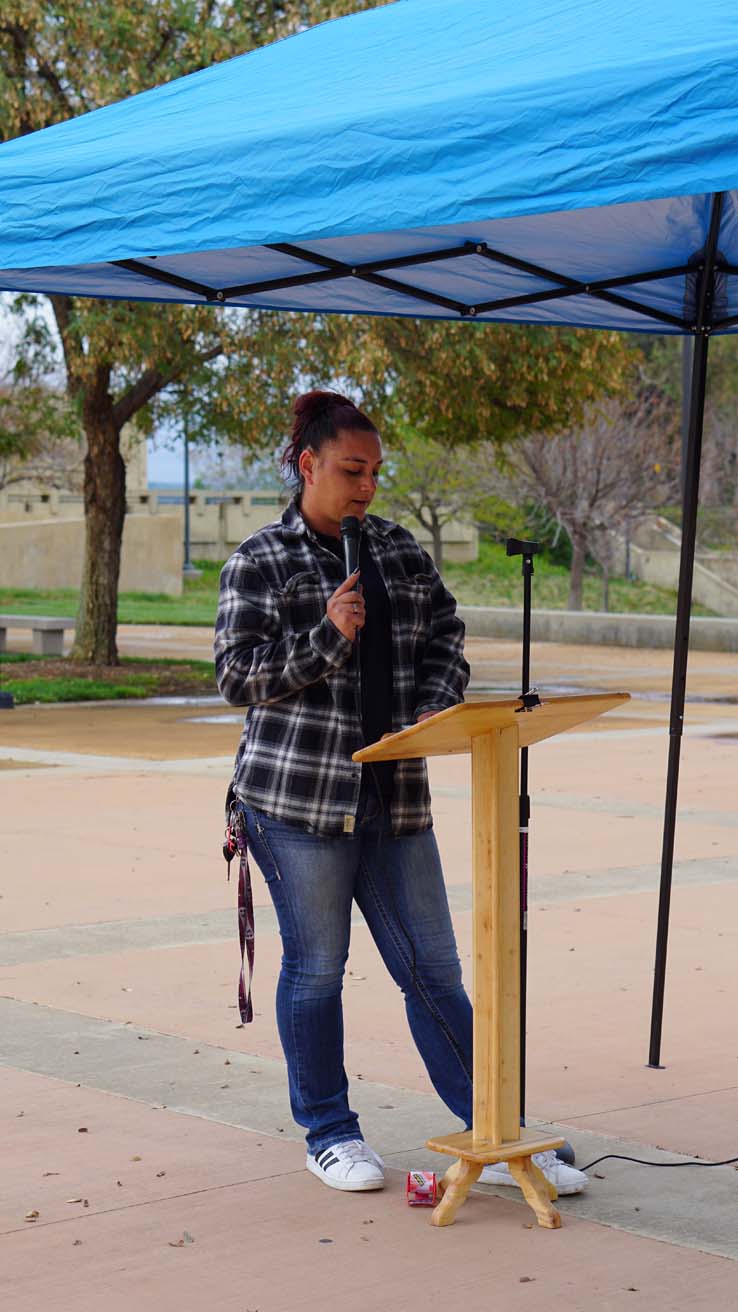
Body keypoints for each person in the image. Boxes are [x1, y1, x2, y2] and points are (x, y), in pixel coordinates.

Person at [214, 389, 586, 1196]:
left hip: (397, 798)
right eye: (352, 470)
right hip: (299, 804)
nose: (367, 486)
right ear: (308, 465)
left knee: (435, 970)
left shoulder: (397, 549)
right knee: (316, 969)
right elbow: (235, 677)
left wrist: (437, 703)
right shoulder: (260, 559)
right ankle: (329, 1132)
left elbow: (445, 636)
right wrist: (326, 637)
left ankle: (499, 1134)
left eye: (377, 471)